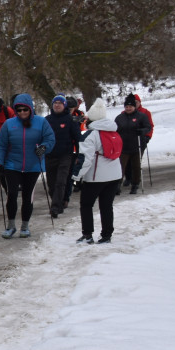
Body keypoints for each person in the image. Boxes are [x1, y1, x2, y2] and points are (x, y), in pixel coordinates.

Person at [0, 94, 55, 239]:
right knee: (12, 194)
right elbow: (1, 145)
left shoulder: (41, 122)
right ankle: (11, 226)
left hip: (33, 165)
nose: (22, 112)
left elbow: (50, 139)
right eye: (19, 110)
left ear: (30, 109)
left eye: (25, 110)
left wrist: (44, 147)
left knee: (27, 196)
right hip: (12, 165)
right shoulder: (9, 124)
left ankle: (25, 226)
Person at [71, 97, 122, 245]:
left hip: (96, 177)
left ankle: (87, 234)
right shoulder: (114, 131)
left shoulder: (91, 135)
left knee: (86, 205)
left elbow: (85, 159)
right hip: (115, 175)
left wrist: (76, 176)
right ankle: (107, 235)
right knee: (106, 206)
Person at [44, 95, 79, 217]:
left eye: (60, 103)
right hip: (50, 155)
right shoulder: (47, 120)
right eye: (55, 103)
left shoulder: (70, 119)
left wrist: (79, 155)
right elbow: (41, 136)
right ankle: (58, 201)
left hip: (65, 155)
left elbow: (78, 138)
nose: (57, 105)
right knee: (51, 184)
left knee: (61, 181)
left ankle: (55, 207)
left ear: (64, 105)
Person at [114, 94, 151, 195]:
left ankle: (135, 184)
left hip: (137, 145)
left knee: (136, 166)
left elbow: (148, 127)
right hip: (124, 146)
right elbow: (115, 130)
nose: (128, 108)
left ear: (134, 107)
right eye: (126, 106)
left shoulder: (141, 116)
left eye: (130, 106)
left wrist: (142, 131)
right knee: (121, 166)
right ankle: (117, 185)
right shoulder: (120, 118)